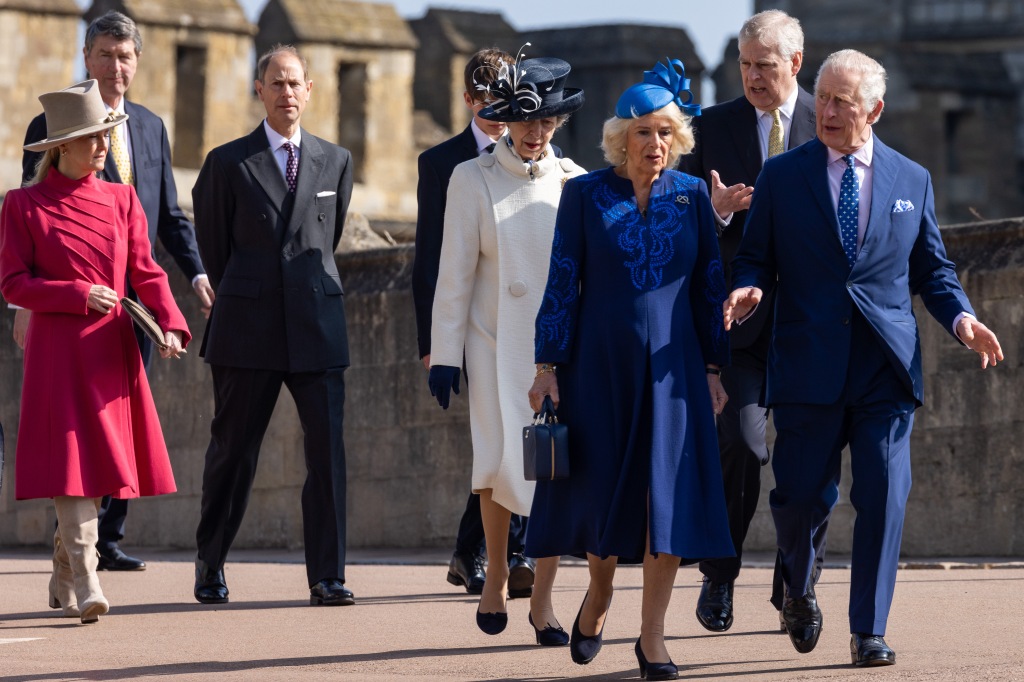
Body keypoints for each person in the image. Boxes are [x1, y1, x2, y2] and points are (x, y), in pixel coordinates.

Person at [725, 49, 1004, 666]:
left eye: (841, 102)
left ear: (873, 110)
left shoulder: (913, 178)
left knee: (884, 494)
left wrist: (963, 319)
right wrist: (748, 288)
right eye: (821, 97)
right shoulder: (783, 175)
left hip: (884, 365)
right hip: (806, 363)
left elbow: (933, 270)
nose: (825, 110)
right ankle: (797, 589)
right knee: (800, 498)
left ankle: (869, 629)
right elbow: (755, 258)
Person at [527, 59, 734, 679]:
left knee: (664, 500)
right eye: (643, 132)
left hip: (674, 373)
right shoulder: (584, 194)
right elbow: (562, 281)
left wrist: (715, 368)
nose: (655, 143)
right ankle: (598, 595)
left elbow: (708, 285)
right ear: (621, 138)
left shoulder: (693, 195)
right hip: (599, 370)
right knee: (601, 497)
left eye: (666, 132)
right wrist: (547, 365)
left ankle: (652, 638)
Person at [18, 10, 213, 573]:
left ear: (138, 62)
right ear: (87, 58)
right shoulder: (50, 122)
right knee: (79, 421)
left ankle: (110, 534)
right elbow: (33, 215)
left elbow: (168, 215)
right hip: (72, 297)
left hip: (135, 297)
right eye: (105, 54)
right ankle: (81, 540)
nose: (115, 65)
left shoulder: (150, 125)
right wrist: (24, 306)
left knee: (122, 411)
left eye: (125, 56)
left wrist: (195, 276)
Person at [0, 79, 189, 624]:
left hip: (111, 351)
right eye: (92, 138)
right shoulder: (22, 204)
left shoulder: (121, 198)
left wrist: (170, 325)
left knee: (103, 472)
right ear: (61, 146)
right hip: (58, 352)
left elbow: (146, 272)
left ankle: (62, 564)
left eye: (107, 135)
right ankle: (86, 577)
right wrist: (77, 294)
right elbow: (13, 284)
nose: (103, 146)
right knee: (70, 468)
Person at [427, 51, 585, 642]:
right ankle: (494, 574)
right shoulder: (471, 178)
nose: (536, 132)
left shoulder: (575, 183)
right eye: (525, 121)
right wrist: (445, 353)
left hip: (553, 355)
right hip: (494, 346)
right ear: (504, 118)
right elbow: (454, 273)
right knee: (495, 465)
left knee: (550, 473)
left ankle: (542, 601)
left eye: (546, 122)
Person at [677, 9, 825, 632]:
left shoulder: (833, 117)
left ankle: (797, 587)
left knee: (808, 461)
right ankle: (720, 571)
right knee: (737, 443)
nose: (753, 77)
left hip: (815, 325)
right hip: (737, 323)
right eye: (743, 64)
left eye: (765, 65)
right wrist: (711, 212)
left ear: (794, 63)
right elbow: (676, 228)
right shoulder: (711, 127)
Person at [191, 44, 355, 607]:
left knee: (328, 456)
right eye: (276, 83)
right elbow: (215, 246)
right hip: (248, 326)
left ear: (310, 90)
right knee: (233, 452)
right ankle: (210, 563)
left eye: (296, 84)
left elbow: (325, 242)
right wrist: (251, 289)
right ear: (259, 90)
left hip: (316, 323)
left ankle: (327, 576)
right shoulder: (227, 162)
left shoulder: (336, 161)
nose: (287, 93)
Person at [412, 48, 535, 599]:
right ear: (467, 99)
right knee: (497, 440)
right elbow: (433, 262)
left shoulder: (540, 153)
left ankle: (483, 551)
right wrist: (435, 346)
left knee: (515, 440)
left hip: (529, 331)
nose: (496, 110)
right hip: (476, 330)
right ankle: (493, 551)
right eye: (486, 100)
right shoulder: (441, 163)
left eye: (504, 99)